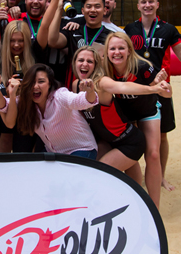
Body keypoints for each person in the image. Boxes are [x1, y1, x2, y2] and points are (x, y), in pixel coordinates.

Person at [124, 0, 181, 191]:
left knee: (162, 135)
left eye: (151, 1)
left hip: (161, 89)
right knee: (131, 132)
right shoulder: (129, 29)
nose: (147, 5)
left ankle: (161, 177)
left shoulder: (169, 29)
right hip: (135, 89)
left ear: (157, 4)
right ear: (138, 5)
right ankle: (134, 176)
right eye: (143, 2)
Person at [71, 46, 172, 177]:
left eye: (89, 61)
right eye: (81, 60)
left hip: (130, 142)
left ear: (96, 65)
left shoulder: (101, 83)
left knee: (98, 173)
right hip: (108, 141)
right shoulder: (76, 85)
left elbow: (123, 87)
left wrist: (153, 89)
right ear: (74, 63)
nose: (84, 64)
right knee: (89, 168)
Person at [103, 32, 167, 209]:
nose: (117, 52)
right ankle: (135, 196)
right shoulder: (105, 70)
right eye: (113, 48)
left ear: (129, 51)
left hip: (147, 111)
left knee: (153, 154)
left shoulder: (143, 66)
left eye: (121, 48)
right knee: (131, 155)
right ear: (107, 52)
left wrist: (160, 85)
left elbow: (158, 89)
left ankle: (154, 208)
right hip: (124, 115)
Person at [0, 63, 99, 158]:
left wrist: (90, 91)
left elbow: (83, 100)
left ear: (50, 84)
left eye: (41, 81)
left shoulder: (60, 96)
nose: (35, 86)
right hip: (54, 153)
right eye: (31, 82)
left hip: (82, 149)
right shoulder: (26, 101)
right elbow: (4, 106)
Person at [40, 0, 110, 85]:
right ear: (82, 11)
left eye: (97, 6)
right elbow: (52, 41)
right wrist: (59, 9)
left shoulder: (110, 37)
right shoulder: (74, 30)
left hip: (98, 89)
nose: (92, 10)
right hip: (72, 90)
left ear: (104, 10)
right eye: (89, 6)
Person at [0, 20, 37, 152]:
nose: (16, 45)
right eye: (12, 40)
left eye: (21, 40)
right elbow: (0, 104)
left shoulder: (34, 62)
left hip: (28, 119)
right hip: (5, 117)